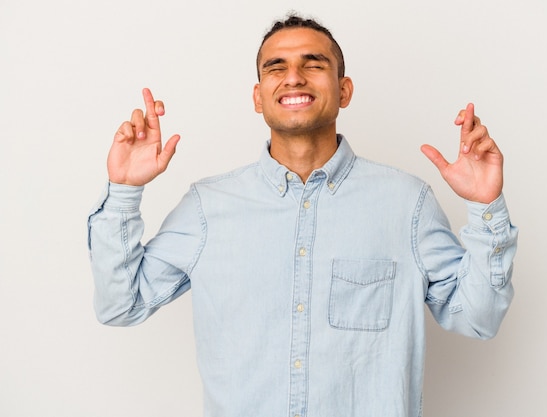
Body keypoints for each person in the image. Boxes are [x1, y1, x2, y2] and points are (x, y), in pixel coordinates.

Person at [88, 14, 518, 417]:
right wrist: (124, 191)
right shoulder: (207, 207)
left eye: (313, 64)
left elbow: (478, 318)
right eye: (276, 67)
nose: (293, 77)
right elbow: (121, 305)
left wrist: (486, 208)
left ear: (344, 89)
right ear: (258, 97)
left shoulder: (407, 204)